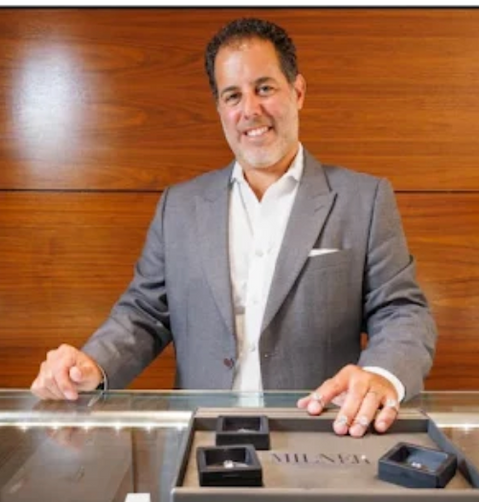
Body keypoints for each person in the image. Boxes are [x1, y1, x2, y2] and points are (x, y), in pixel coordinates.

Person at [30, 17, 436, 438]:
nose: (250, 111)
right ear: (220, 108)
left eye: (264, 88)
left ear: (297, 92)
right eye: (233, 95)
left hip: (321, 439)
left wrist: (383, 374)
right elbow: (143, 313)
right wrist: (91, 364)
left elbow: (402, 310)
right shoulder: (180, 206)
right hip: (204, 446)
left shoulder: (363, 200)